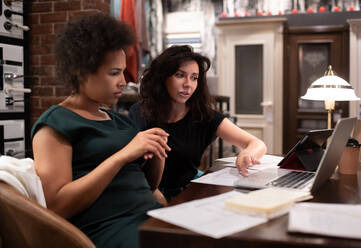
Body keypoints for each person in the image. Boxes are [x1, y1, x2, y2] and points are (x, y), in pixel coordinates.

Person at [31, 13, 171, 248]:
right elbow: (56, 206)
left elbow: (149, 185)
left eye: (123, 72)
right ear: (81, 72)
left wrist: (156, 154)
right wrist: (123, 155)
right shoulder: (56, 124)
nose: (123, 82)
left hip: (152, 217)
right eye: (114, 73)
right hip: (110, 229)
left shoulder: (120, 120)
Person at [129, 45, 267, 201]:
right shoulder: (141, 112)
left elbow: (257, 143)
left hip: (189, 190)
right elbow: (132, 166)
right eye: (180, 75)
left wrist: (247, 153)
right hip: (147, 193)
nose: (188, 84)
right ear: (163, 77)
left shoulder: (204, 116)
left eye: (194, 78)